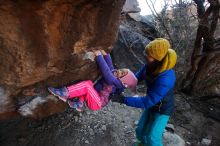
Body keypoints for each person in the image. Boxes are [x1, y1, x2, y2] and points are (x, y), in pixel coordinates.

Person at [111, 38, 177, 146]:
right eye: (146, 52)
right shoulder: (150, 66)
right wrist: (121, 84)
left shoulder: (166, 79)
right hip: (152, 104)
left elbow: (147, 101)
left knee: (152, 138)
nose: (145, 55)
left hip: (163, 109)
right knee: (140, 130)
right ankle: (140, 144)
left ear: (157, 59)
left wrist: (123, 99)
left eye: (148, 54)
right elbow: (136, 78)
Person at [48, 50, 137, 111]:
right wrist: (104, 53)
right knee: (90, 84)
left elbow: (107, 74)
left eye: (121, 74)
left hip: (98, 103)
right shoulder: (115, 74)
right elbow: (110, 65)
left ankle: (65, 93)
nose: (119, 71)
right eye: (121, 70)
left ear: (123, 82)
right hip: (96, 95)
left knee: (87, 86)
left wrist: (99, 56)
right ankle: (79, 103)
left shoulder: (116, 83)